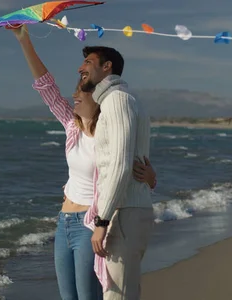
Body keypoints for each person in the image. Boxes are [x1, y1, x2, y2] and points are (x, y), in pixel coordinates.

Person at [8, 25, 157, 300]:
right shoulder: (71, 126)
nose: (74, 96)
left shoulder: (109, 126)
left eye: (80, 94)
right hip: (64, 221)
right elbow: (46, 87)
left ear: (95, 97)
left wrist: (150, 177)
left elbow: (128, 163)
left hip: (92, 221)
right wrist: (23, 40)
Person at [79, 45, 156, 300]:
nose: (81, 68)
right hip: (126, 211)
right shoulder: (119, 100)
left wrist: (102, 221)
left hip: (124, 212)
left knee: (118, 295)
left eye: (88, 62)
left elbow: (121, 166)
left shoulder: (118, 100)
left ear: (107, 66)